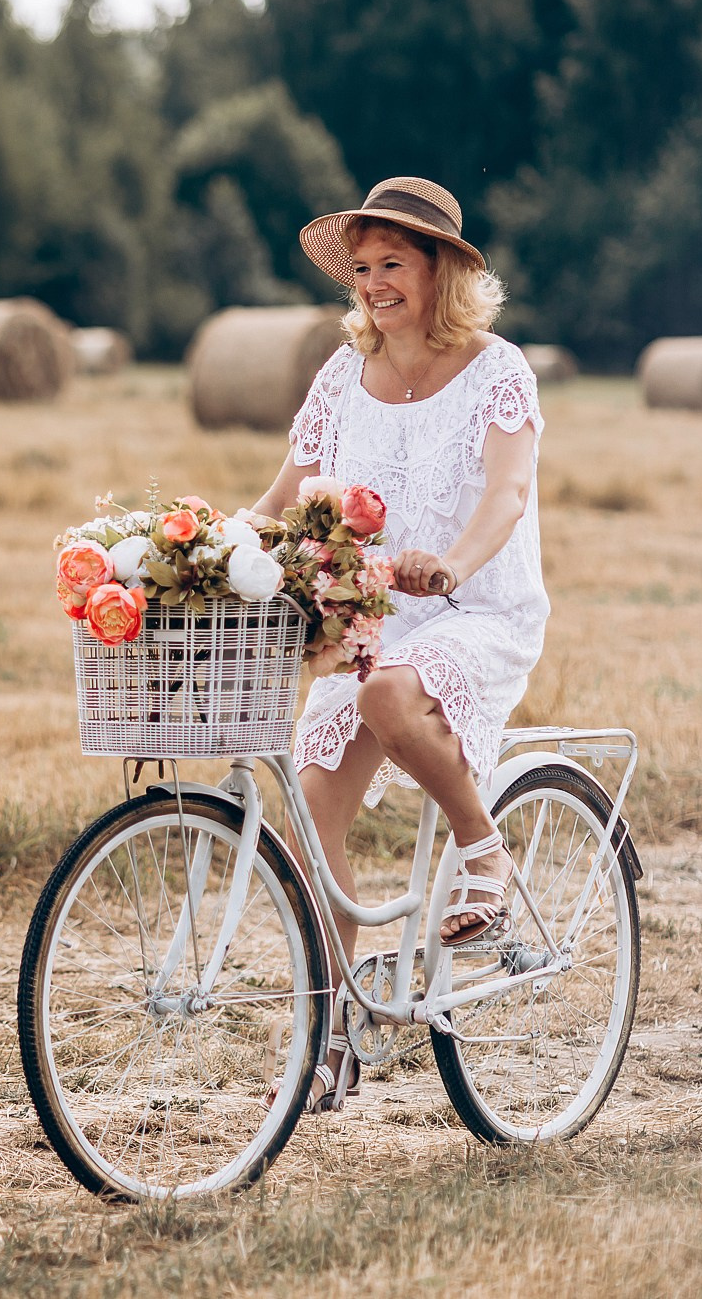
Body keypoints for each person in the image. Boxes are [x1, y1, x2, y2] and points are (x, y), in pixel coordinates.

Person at [244, 178, 548, 1111]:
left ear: (442, 273)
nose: (375, 285)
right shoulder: (342, 375)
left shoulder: (498, 370)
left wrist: (451, 565)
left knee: (388, 695)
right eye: (364, 268)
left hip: (476, 608)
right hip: (375, 626)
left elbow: (507, 493)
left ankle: (484, 848)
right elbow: (283, 495)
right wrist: (206, 550)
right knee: (312, 793)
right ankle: (342, 1021)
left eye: (394, 266)